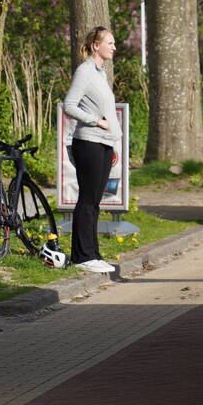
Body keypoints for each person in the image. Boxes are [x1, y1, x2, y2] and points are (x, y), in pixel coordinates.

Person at [63, 26, 121, 273]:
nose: (114, 47)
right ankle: (82, 256)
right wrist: (96, 121)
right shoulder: (85, 71)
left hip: (104, 143)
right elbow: (69, 105)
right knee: (87, 200)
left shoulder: (100, 73)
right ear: (96, 45)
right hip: (89, 142)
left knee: (95, 201)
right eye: (110, 42)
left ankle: (93, 254)